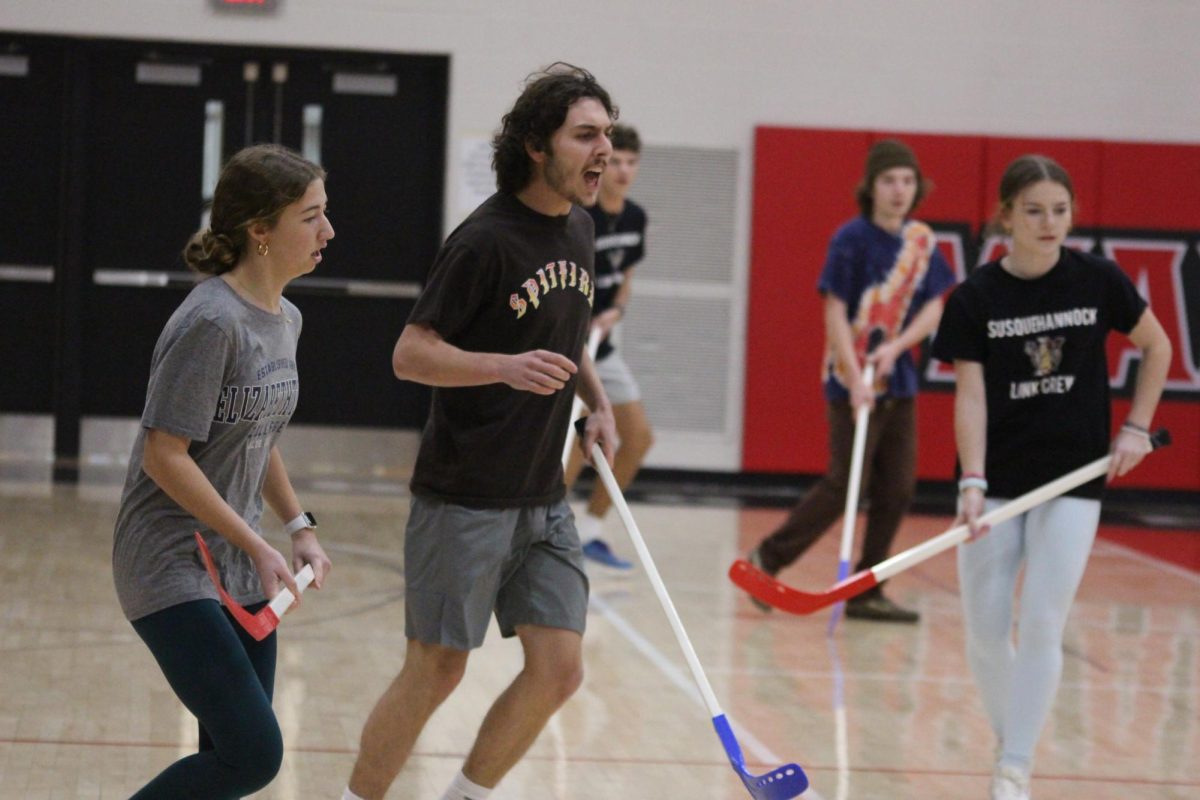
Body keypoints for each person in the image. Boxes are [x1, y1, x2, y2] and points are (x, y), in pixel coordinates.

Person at [341, 63, 619, 800]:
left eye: (609, 137)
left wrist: (596, 403)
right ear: (536, 144)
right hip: (464, 496)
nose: (604, 153)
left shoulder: (583, 229)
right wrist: (501, 365)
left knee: (560, 668)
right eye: (586, 135)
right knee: (437, 668)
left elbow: (570, 332)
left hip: (543, 498)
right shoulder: (484, 241)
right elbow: (410, 354)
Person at [932, 154, 1171, 800]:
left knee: (1041, 620)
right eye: (1033, 211)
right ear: (1005, 214)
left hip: (1074, 477)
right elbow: (971, 398)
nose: (1048, 223)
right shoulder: (976, 298)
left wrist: (1136, 426)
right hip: (998, 480)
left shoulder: (1098, 280)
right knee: (986, 630)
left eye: (1059, 211)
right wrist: (972, 480)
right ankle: (1011, 738)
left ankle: (1014, 764)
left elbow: (1158, 347)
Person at [112, 143, 334, 798]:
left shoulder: (285, 318)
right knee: (253, 754)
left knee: (228, 760)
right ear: (259, 230)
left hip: (240, 562)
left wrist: (299, 526)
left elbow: (255, 436)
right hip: (170, 561)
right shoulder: (211, 321)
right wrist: (255, 539)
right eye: (311, 216)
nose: (329, 230)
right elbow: (164, 455)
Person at [746, 139, 955, 622]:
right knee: (845, 483)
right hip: (850, 379)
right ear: (871, 187)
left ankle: (866, 587)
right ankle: (768, 558)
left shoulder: (922, 241)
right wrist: (853, 371)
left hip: (897, 379)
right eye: (889, 181)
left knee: (898, 488)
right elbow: (835, 310)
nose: (899, 190)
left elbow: (934, 306)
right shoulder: (851, 239)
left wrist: (897, 348)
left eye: (907, 181)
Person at [563, 122, 654, 571]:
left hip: (603, 345)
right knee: (576, 439)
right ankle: (546, 532)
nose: (622, 170)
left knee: (636, 436)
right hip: (569, 344)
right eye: (615, 160)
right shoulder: (583, 215)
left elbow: (626, 277)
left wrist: (617, 308)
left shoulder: (635, 218)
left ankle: (592, 529)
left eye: (631, 162)